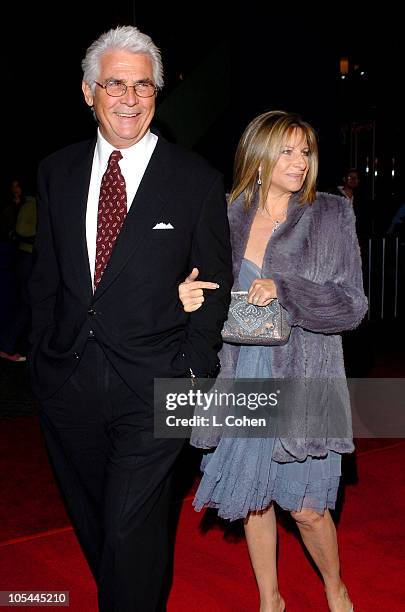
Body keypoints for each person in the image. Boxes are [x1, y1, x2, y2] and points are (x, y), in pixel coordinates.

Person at [28, 25, 233, 612]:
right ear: (89, 91)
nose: (129, 98)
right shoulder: (56, 172)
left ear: (157, 94)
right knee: (99, 528)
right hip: (65, 382)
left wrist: (195, 372)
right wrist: (41, 356)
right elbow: (45, 274)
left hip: (157, 384)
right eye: (115, 84)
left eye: (143, 86)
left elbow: (215, 286)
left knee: (128, 528)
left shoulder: (195, 180)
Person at [178, 110, 367, 612]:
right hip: (240, 374)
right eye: (286, 150)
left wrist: (287, 291)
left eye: (305, 151)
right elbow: (198, 283)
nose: (299, 161)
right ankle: (270, 600)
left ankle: (335, 587)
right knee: (253, 500)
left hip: (308, 376)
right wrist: (187, 295)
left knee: (307, 510)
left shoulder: (331, 214)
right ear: (258, 158)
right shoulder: (223, 214)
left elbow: (352, 304)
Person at [0, 178, 36, 362]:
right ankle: (10, 346)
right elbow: (19, 230)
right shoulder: (29, 205)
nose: (16, 188)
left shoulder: (28, 204)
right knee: (26, 305)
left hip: (24, 258)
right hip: (23, 258)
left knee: (26, 304)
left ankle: (14, 346)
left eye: (18, 184)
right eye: (13, 185)